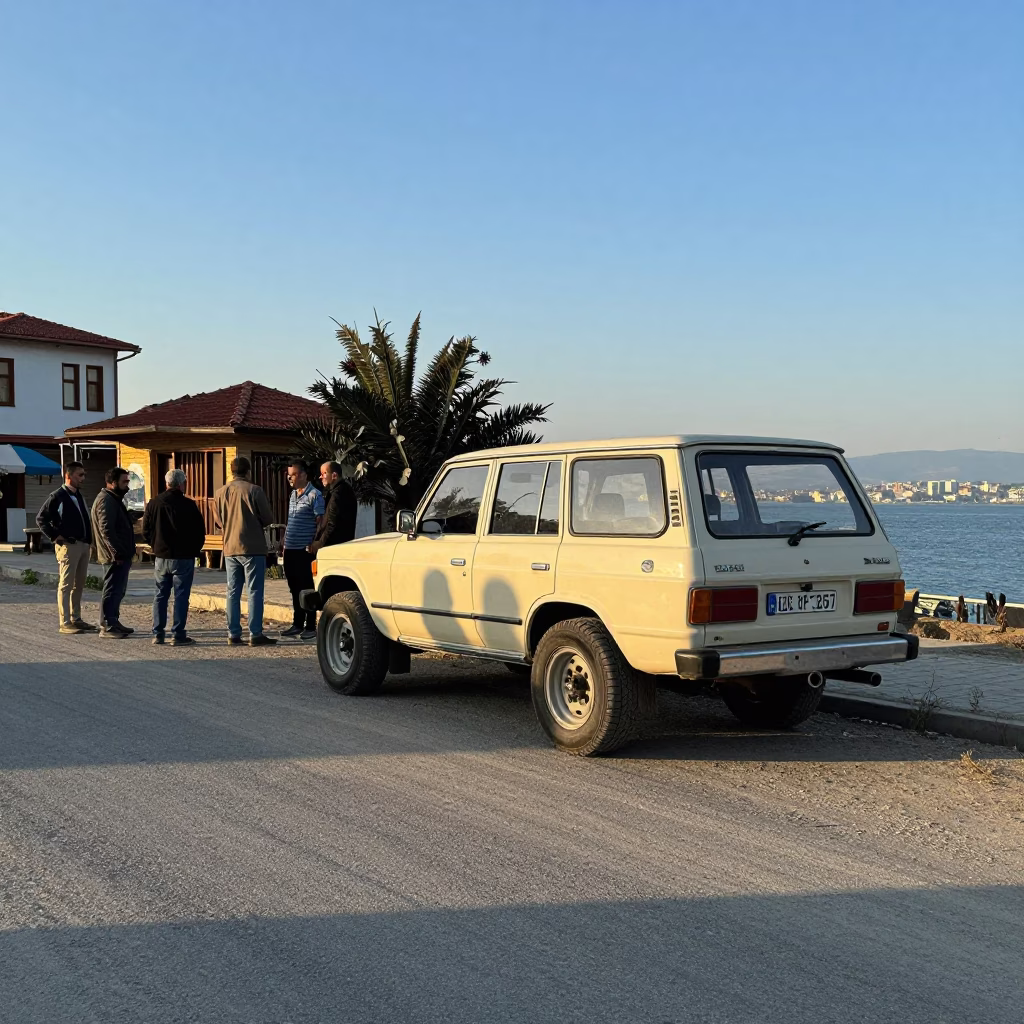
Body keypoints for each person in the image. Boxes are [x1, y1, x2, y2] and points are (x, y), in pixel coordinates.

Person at [213, 456, 278, 647]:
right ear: (248, 471)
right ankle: (255, 633)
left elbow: (218, 522)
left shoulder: (220, 493)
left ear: (231, 471)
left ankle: (233, 633)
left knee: (232, 591)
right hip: (253, 547)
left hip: (230, 547)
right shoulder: (255, 490)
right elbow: (267, 519)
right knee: (254, 591)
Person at [143, 468, 206, 646]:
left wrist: (155, 545)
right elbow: (200, 532)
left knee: (160, 595)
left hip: (161, 556)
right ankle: (178, 634)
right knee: (181, 596)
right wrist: (195, 550)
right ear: (181, 484)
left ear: (167, 483)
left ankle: (158, 633)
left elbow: (145, 530)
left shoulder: (154, 503)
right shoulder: (189, 505)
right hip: (184, 557)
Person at [36, 460, 97, 635]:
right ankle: (65, 622)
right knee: (66, 585)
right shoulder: (57, 496)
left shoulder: (78, 495)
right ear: (68, 476)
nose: (83, 478)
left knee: (79, 584)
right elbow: (41, 519)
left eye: (84, 475)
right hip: (69, 546)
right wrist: (55, 536)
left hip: (83, 545)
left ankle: (76, 618)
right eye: (80, 475)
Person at [90, 466, 137, 639]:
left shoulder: (113, 499)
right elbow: (106, 530)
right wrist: (115, 553)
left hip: (119, 554)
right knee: (111, 589)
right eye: (124, 482)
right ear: (112, 482)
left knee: (118, 589)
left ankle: (113, 621)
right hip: (113, 556)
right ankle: (108, 625)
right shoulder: (106, 500)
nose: (127, 485)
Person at [281, 460, 325, 639]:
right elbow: (292, 520)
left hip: (304, 550)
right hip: (290, 548)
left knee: (307, 588)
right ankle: (297, 624)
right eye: (288, 474)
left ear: (303, 475)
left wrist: (315, 542)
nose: (289, 478)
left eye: (293, 474)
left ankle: (310, 626)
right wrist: (284, 539)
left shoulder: (315, 495)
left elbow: (320, 521)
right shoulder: (293, 495)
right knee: (294, 588)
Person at [310, 461, 358, 554]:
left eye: (324, 473)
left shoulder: (339, 493)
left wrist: (320, 544)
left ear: (334, 475)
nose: (320, 477)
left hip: (334, 548)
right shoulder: (338, 491)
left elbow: (332, 524)